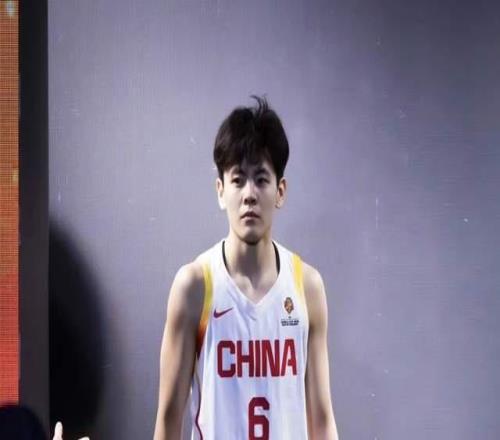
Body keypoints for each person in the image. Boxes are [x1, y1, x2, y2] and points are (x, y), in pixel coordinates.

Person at [153, 96, 339, 439]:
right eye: (238, 180)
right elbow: (168, 419)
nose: (249, 194)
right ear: (220, 191)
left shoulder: (307, 287)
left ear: (280, 191)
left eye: (261, 179)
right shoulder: (195, 286)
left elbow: (322, 420)